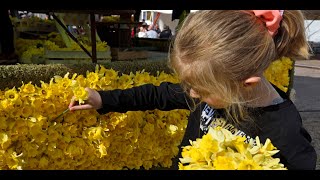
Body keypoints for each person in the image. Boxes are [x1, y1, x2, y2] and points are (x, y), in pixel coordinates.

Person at [69, 10, 317, 170]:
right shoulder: (218, 88)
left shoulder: (286, 132)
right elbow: (158, 94)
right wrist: (103, 99)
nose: (191, 94)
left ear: (246, 82)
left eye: (200, 88)